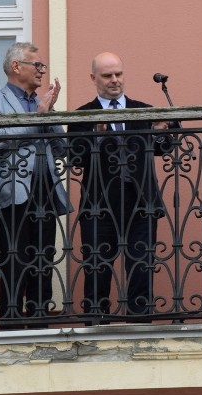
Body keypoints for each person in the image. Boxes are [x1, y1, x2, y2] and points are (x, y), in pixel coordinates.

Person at [68, 52, 171, 317]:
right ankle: (97, 323)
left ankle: (140, 323)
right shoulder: (82, 115)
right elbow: (75, 157)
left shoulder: (144, 110)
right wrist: (97, 137)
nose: (114, 80)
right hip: (99, 205)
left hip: (141, 202)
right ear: (94, 78)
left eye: (118, 74)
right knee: (97, 269)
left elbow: (165, 147)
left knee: (141, 267)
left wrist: (163, 131)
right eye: (107, 76)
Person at [0, 42, 72, 324]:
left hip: (45, 189)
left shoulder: (40, 103)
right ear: (17, 66)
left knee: (44, 254)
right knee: (15, 254)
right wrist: (38, 116)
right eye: (38, 65)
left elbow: (61, 148)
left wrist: (50, 113)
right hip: (13, 191)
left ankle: (40, 314)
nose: (42, 71)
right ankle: (11, 317)